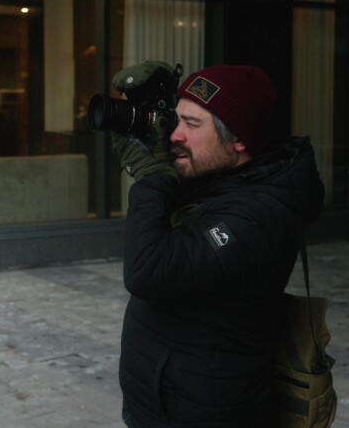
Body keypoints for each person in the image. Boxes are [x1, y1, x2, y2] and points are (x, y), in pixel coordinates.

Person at [112, 64, 325, 427]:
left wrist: (152, 180)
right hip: (163, 405)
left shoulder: (259, 215)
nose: (174, 136)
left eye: (192, 125)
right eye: (174, 121)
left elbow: (147, 270)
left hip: (206, 415)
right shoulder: (214, 178)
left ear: (238, 139)